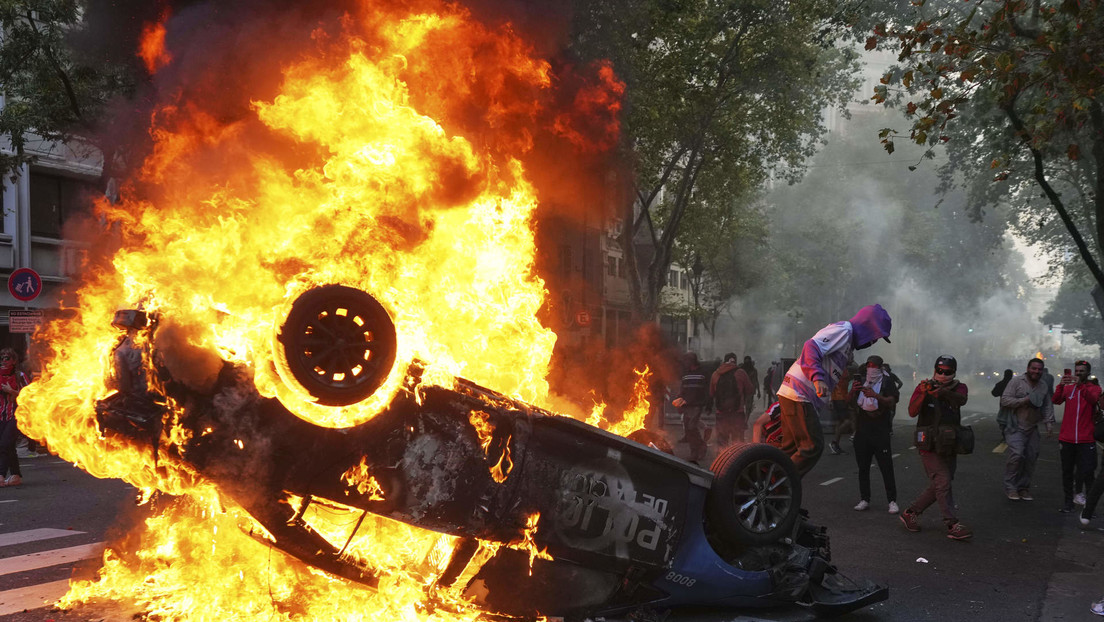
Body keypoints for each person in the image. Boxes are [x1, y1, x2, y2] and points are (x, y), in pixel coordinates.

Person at [775, 304, 892, 477]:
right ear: (867, 326)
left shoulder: (848, 347)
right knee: (812, 447)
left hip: (796, 394)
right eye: (875, 337)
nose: (873, 342)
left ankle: (775, 492)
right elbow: (811, 347)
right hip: (800, 393)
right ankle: (781, 485)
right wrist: (817, 378)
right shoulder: (844, 331)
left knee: (790, 449)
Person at [899, 355, 972, 540]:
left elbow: (961, 400)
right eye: (939, 371)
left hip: (949, 443)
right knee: (943, 481)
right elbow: (912, 411)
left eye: (947, 372)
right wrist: (924, 393)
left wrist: (943, 393)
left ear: (953, 372)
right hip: (928, 443)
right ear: (934, 370)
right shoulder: (924, 387)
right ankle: (952, 523)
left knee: (940, 484)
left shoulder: (959, 388)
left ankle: (910, 513)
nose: (942, 374)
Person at [850, 355, 899, 514]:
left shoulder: (887, 381)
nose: (871, 368)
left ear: (880, 366)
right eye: (869, 365)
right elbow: (849, 402)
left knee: (886, 467)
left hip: (880, 431)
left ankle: (892, 501)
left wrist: (875, 396)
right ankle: (864, 498)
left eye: (874, 365)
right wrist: (853, 391)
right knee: (863, 467)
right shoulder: (863, 380)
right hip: (863, 430)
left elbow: (892, 401)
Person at [1000, 358, 1052, 501]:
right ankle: (1010, 487)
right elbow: (1005, 400)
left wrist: (1048, 423)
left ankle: (1023, 488)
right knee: (1016, 455)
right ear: (1028, 368)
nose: (1036, 371)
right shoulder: (1016, 382)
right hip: (1015, 426)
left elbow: (1047, 404)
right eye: (1033, 368)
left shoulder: (1043, 385)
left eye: (1039, 369)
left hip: (1032, 427)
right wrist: (1024, 400)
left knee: (1030, 457)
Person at [1052, 361, 1100, 512]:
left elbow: (1093, 400)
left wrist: (1080, 386)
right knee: (1067, 472)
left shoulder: (1095, 388)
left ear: (1088, 373)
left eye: (1082, 371)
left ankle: (1089, 508)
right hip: (1067, 438)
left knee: (1088, 472)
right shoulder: (1068, 388)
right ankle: (1068, 502)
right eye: (1076, 371)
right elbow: (1056, 400)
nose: (1078, 373)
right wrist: (1060, 385)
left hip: (1086, 439)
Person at [0, 348, 31, 488]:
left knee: (5, 444)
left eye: (7, 358)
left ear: (13, 360)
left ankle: (1, 475)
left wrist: (11, 391)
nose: (3, 360)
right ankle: (16, 475)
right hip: (1, 415)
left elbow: (30, 396)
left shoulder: (20, 376)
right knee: (9, 446)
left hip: (16, 415)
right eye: (1, 358)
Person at [673, 352, 711, 464]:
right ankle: (696, 449)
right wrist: (679, 401)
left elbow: (707, 391)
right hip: (686, 405)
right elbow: (682, 390)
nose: (685, 363)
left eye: (687, 361)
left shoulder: (702, 374)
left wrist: (708, 404)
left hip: (697, 405)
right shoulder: (685, 375)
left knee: (692, 427)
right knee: (689, 430)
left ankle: (698, 450)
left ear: (692, 361)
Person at [711, 353, 749, 447]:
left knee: (722, 441)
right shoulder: (741, 372)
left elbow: (711, 393)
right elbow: (750, 390)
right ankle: (737, 460)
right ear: (735, 361)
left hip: (721, 412)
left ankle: (723, 460)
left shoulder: (716, 374)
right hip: (737, 412)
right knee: (738, 443)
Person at [828, 369, 856, 455]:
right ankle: (834, 442)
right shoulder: (838, 368)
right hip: (840, 398)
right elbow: (831, 383)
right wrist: (830, 399)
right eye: (849, 355)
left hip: (841, 398)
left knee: (840, 422)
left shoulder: (844, 368)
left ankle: (836, 445)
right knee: (848, 420)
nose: (851, 357)